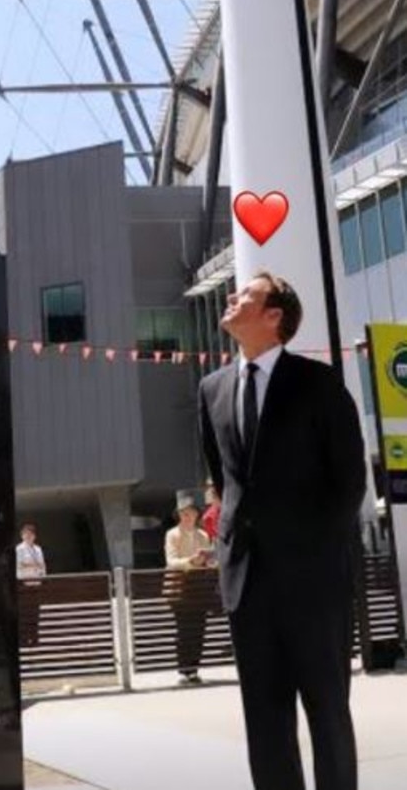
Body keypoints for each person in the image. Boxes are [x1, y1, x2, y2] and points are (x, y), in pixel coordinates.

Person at [198, 271, 366, 790]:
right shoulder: (212, 388)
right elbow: (223, 479)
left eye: (245, 294)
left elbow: (350, 483)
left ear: (274, 316)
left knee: (328, 713)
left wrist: (315, 555)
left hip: (314, 585)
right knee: (265, 722)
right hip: (247, 584)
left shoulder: (318, 384)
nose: (231, 298)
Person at [164, 495, 213, 684]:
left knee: (199, 629)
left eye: (191, 513)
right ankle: (185, 669)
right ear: (179, 515)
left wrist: (207, 560)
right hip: (180, 588)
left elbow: (209, 558)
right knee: (184, 630)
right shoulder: (172, 534)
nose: (187, 517)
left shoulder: (203, 535)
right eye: (184, 514)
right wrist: (190, 561)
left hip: (199, 587)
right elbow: (171, 561)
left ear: (196, 515)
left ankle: (194, 669)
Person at [16, 523, 46, 648]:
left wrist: (40, 573)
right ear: (22, 536)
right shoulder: (19, 549)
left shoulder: (38, 549)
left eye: (31, 534)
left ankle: (34, 638)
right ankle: (24, 639)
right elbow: (19, 565)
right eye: (26, 534)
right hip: (24, 583)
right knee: (25, 612)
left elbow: (42, 565)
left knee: (35, 612)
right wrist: (33, 565)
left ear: (34, 536)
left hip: (36, 583)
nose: (28, 537)